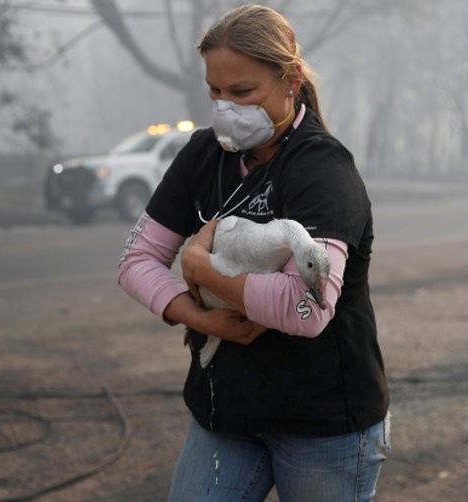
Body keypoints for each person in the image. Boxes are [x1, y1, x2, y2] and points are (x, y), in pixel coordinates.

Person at [117, 4, 390, 501]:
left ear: (291, 80)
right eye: (215, 92)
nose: (225, 108)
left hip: (322, 421)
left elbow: (305, 310)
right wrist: (204, 321)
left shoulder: (323, 169)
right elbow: (136, 261)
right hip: (226, 413)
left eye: (242, 92)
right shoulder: (203, 155)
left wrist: (201, 270)